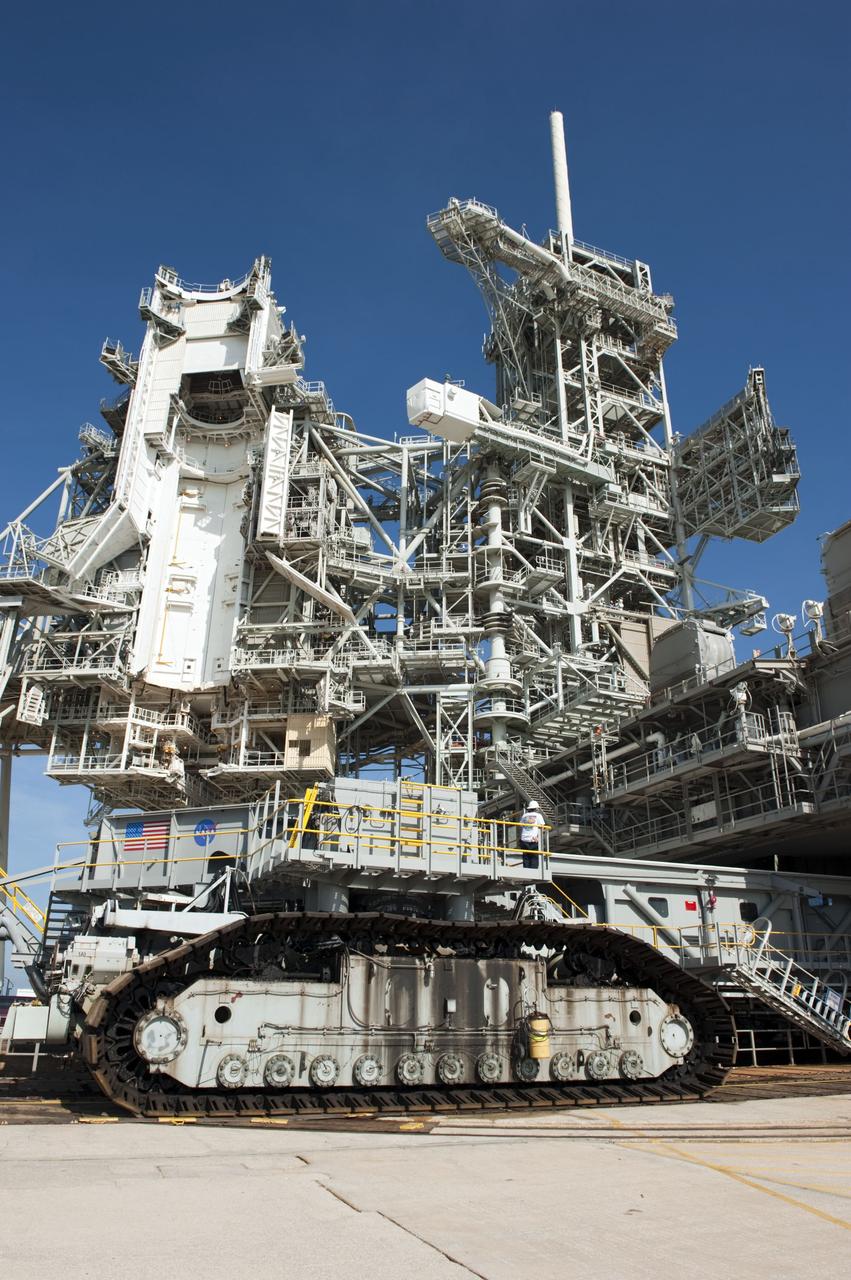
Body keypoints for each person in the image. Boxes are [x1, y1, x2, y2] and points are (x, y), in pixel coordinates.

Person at [518, 800, 546, 869]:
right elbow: (542, 827)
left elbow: (521, 826)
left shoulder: (524, 816)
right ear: (536, 809)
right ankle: (533, 874)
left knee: (526, 857)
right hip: (533, 840)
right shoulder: (538, 815)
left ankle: (526, 872)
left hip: (524, 840)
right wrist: (538, 837)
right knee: (534, 858)